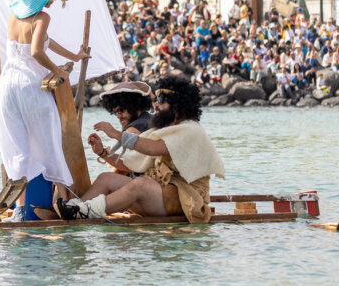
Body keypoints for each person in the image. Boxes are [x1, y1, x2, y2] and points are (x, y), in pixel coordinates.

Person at [58, 76, 224, 224]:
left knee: (141, 184)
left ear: (177, 105)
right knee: (105, 179)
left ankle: (84, 211)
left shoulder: (190, 129)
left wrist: (115, 134)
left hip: (184, 198)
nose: (156, 104)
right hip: (162, 194)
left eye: (162, 100)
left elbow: (152, 148)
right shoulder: (166, 129)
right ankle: (73, 211)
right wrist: (103, 152)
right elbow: (132, 162)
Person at [0, 0, 88, 222]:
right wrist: (58, 72)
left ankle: (21, 210)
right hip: (28, 86)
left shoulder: (14, 16)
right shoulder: (42, 17)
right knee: (50, 142)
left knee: (17, 146)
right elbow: (37, 51)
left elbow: (45, 42)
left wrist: (74, 55)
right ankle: (66, 203)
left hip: (7, 85)